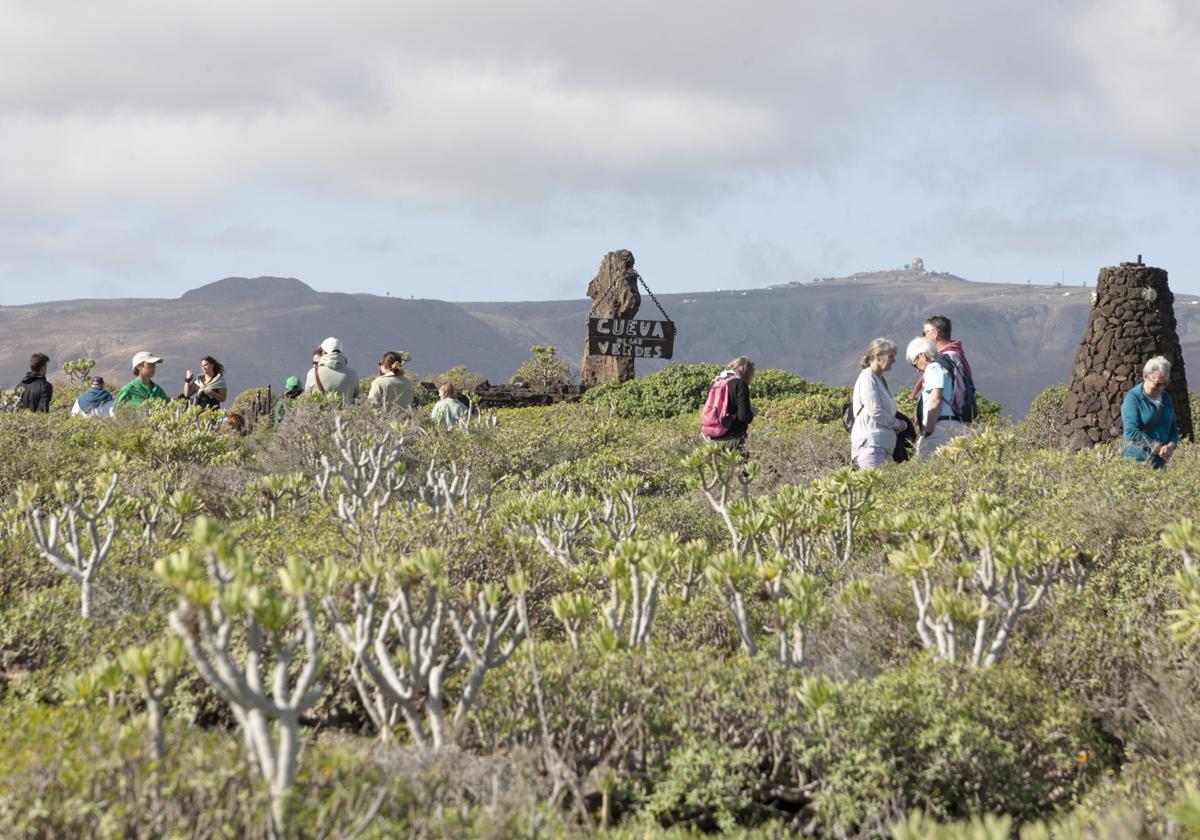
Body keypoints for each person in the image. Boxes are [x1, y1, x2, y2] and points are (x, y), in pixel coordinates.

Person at [850, 339, 908, 469]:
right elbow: (874, 410)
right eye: (891, 356)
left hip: (883, 446)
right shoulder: (867, 377)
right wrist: (897, 424)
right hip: (871, 444)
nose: (894, 360)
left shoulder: (881, 380)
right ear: (877, 356)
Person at [906, 337, 966, 461]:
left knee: (926, 470)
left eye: (914, 363)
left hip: (940, 428)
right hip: (956, 425)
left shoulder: (933, 368)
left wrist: (928, 432)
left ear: (922, 355)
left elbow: (935, 401)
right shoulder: (947, 366)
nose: (917, 369)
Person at [1121, 356, 1180, 469]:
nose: (1161, 388)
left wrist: (1171, 446)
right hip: (1137, 462)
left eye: (1165, 383)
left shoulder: (1166, 398)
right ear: (1145, 377)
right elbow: (1131, 432)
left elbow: (1173, 429)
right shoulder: (1133, 399)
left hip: (1160, 463)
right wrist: (1158, 448)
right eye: (1157, 384)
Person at [911, 314, 974, 402]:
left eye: (924, 333)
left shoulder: (945, 358)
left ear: (934, 333)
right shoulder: (954, 354)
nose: (923, 337)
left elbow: (938, 394)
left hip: (943, 412)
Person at [700, 356, 756, 452]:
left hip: (712, 440)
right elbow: (744, 417)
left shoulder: (715, 383)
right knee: (739, 466)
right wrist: (751, 412)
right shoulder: (740, 384)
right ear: (748, 373)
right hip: (733, 439)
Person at [305, 337, 359, 406]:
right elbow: (356, 398)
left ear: (324, 353)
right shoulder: (353, 375)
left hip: (320, 416)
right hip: (345, 416)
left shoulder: (312, 373)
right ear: (341, 353)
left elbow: (306, 400)